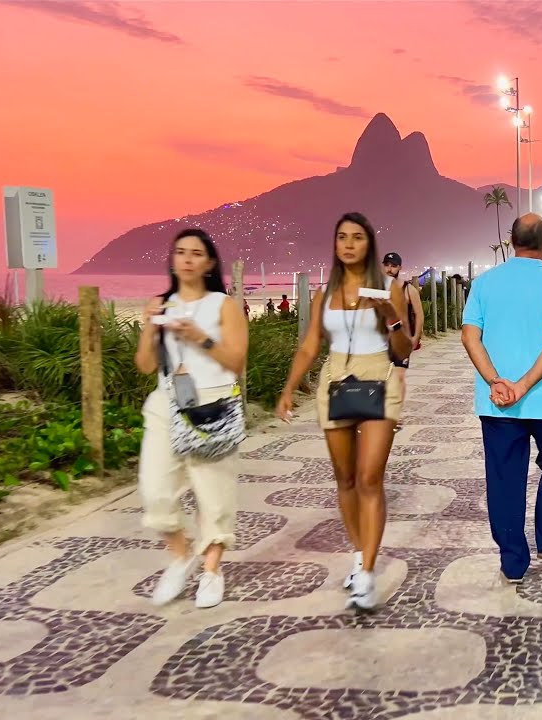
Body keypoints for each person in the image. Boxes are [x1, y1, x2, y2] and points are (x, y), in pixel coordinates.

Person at [276, 212, 413, 610]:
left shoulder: (390, 289)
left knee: (370, 478)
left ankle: (368, 572)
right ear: (335, 245)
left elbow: (403, 351)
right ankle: (359, 555)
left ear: (368, 243)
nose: (349, 244)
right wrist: (288, 388)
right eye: (342, 237)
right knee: (345, 479)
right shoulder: (325, 294)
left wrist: (391, 319)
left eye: (357, 237)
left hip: (379, 378)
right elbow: (309, 346)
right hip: (336, 379)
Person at [134, 229, 249, 609]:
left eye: (196, 253)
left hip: (212, 408)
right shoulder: (161, 304)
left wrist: (199, 337)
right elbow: (145, 365)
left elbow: (236, 362)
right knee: (155, 491)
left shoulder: (223, 305)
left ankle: (212, 571)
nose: (186, 259)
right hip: (165, 404)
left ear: (210, 263)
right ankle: (182, 557)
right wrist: (150, 324)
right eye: (180, 252)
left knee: (213, 497)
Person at [461, 214, 542, 584]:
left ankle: (513, 561)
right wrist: (525, 386)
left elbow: (469, 337)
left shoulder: (484, 283)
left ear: (511, 241)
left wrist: (497, 381)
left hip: (497, 402)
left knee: (505, 479)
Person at [382, 252, 424, 431]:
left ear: (399, 267)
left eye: (393, 265)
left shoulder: (408, 289)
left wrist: (416, 337)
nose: (390, 269)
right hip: (382, 340)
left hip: (403, 340)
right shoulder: (378, 288)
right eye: (387, 265)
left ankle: (396, 414)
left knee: (399, 376)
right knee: (382, 377)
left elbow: (419, 314)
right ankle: (383, 411)